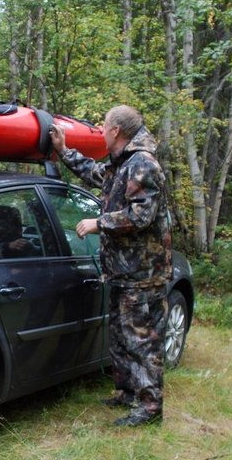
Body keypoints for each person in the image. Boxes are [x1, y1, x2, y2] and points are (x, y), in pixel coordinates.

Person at [49, 105, 172, 426]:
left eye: (103, 126)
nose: (100, 131)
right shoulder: (123, 164)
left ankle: (149, 406)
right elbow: (97, 174)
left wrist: (98, 222)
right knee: (119, 334)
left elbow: (141, 216)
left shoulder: (143, 165)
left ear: (116, 131)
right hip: (122, 270)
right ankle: (128, 392)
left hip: (142, 274)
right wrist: (64, 152)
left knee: (140, 340)